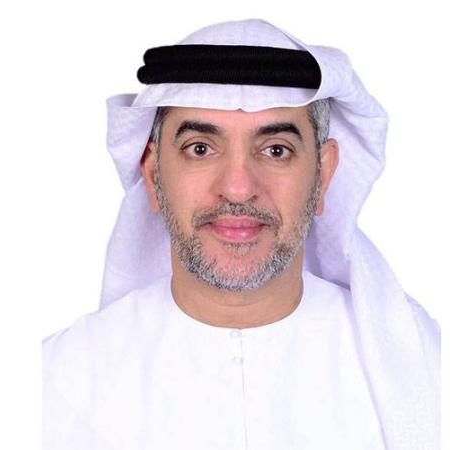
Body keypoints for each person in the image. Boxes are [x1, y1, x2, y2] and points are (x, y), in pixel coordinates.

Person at [42, 19, 440, 450]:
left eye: (275, 150)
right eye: (200, 148)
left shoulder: (428, 365)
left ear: (323, 175)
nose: (237, 187)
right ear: (154, 174)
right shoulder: (58, 382)